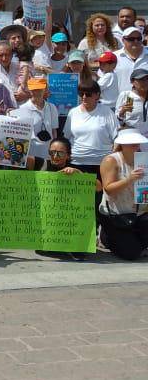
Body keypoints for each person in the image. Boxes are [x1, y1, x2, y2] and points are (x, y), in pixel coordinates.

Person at [98, 130, 148, 261]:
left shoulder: (143, 159)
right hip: (115, 213)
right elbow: (109, 189)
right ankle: (106, 237)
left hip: (139, 212)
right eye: (131, 143)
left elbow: (144, 190)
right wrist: (129, 179)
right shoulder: (111, 160)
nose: (136, 146)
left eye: (137, 143)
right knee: (131, 254)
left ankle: (134, 238)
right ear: (122, 145)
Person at [64, 80, 120, 176]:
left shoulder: (107, 112)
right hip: (76, 162)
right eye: (81, 94)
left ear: (97, 95)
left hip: (102, 163)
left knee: (100, 191)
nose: (84, 97)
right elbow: (66, 137)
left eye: (88, 94)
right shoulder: (73, 112)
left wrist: (112, 157)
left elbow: (117, 138)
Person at [116, 68, 148, 138]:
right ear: (132, 82)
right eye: (141, 80)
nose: (145, 82)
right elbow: (116, 122)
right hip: (130, 137)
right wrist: (122, 112)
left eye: (147, 79)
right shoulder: (126, 95)